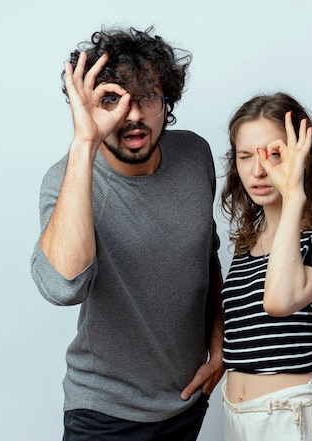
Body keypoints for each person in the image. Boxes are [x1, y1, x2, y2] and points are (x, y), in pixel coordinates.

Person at [30, 26, 224, 441]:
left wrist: (219, 347)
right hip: (104, 413)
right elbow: (62, 287)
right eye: (112, 100)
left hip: (186, 403)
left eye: (147, 96)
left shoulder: (194, 155)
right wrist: (85, 141)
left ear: (166, 100)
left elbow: (206, 261)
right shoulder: (66, 181)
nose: (131, 114)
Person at [219, 92, 312, 440]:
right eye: (245, 156)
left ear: (303, 157)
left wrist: (294, 194)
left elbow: (279, 302)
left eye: (274, 154)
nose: (258, 170)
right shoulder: (246, 243)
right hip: (236, 418)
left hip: (289, 419)